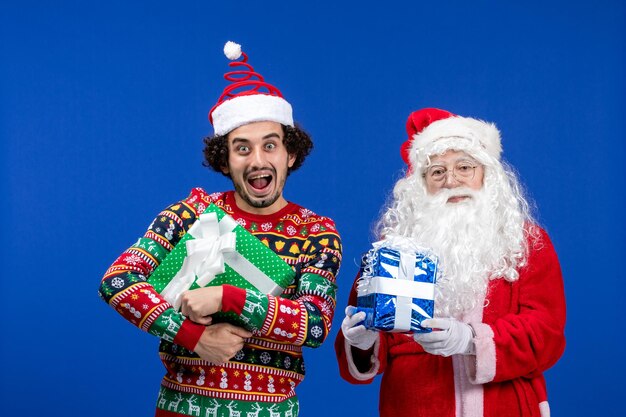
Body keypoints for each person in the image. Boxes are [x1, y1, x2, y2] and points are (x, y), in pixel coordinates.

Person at [99, 41, 342, 417]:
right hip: (181, 408)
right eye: (242, 149)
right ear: (225, 161)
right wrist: (193, 337)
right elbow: (118, 281)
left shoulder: (316, 232)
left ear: (289, 154)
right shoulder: (191, 212)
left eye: (270, 146)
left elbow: (314, 325)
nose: (257, 159)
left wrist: (228, 298)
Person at [335, 108, 565, 417]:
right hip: (414, 406)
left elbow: (546, 333)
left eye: (464, 167)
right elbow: (369, 350)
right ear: (421, 184)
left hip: (504, 406)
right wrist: (362, 339)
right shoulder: (393, 251)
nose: (451, 180)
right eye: (437, 171)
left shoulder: (524, 242)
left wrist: (472, 340)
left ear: (487, 174)